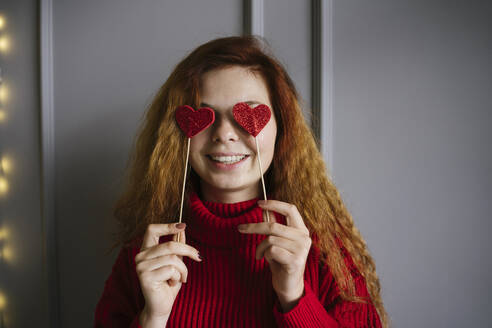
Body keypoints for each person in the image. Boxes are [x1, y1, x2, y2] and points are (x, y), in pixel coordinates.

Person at [94, 35, 389, 328]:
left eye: (245, 114)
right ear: (179, 133)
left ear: (282, 128)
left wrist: (294, 296)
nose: (224, 134)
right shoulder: (146, 252)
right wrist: (152, 319)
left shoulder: (327, 251)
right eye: (205, 114)